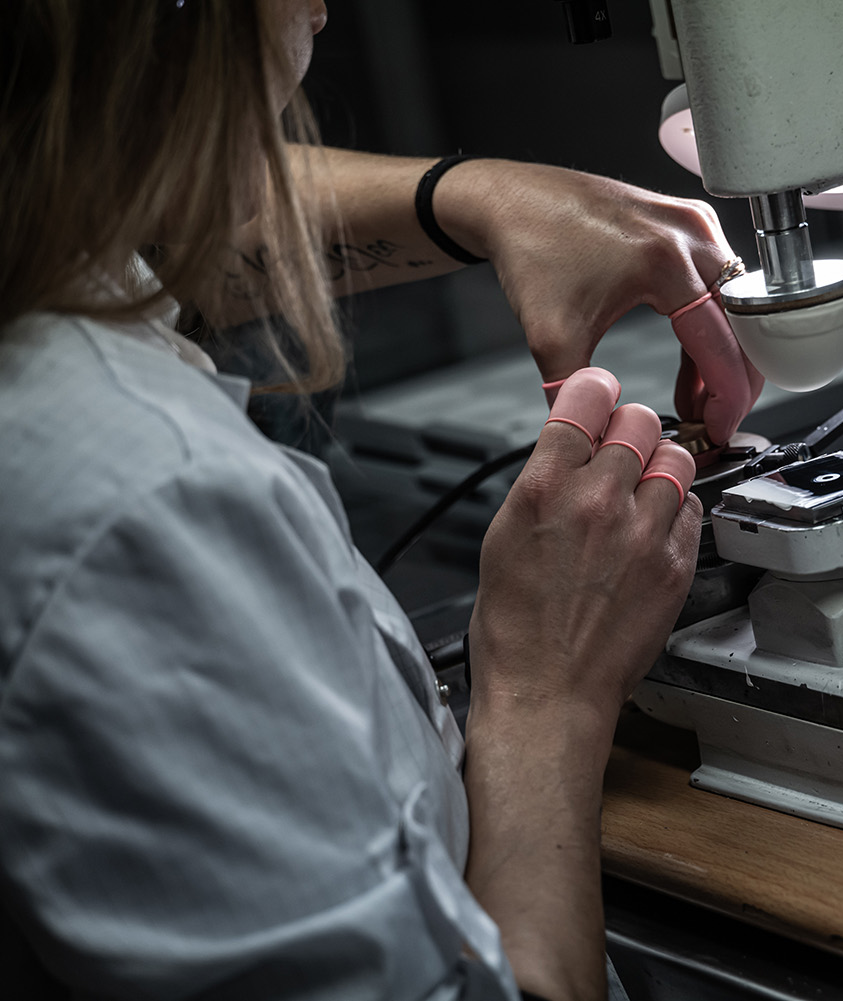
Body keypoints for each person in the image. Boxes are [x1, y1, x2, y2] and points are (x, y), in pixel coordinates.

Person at [0, 2, 762, 999]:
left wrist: (472, 197)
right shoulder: (152, 501)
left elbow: (101, 209)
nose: (320, 5)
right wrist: (544, 696)